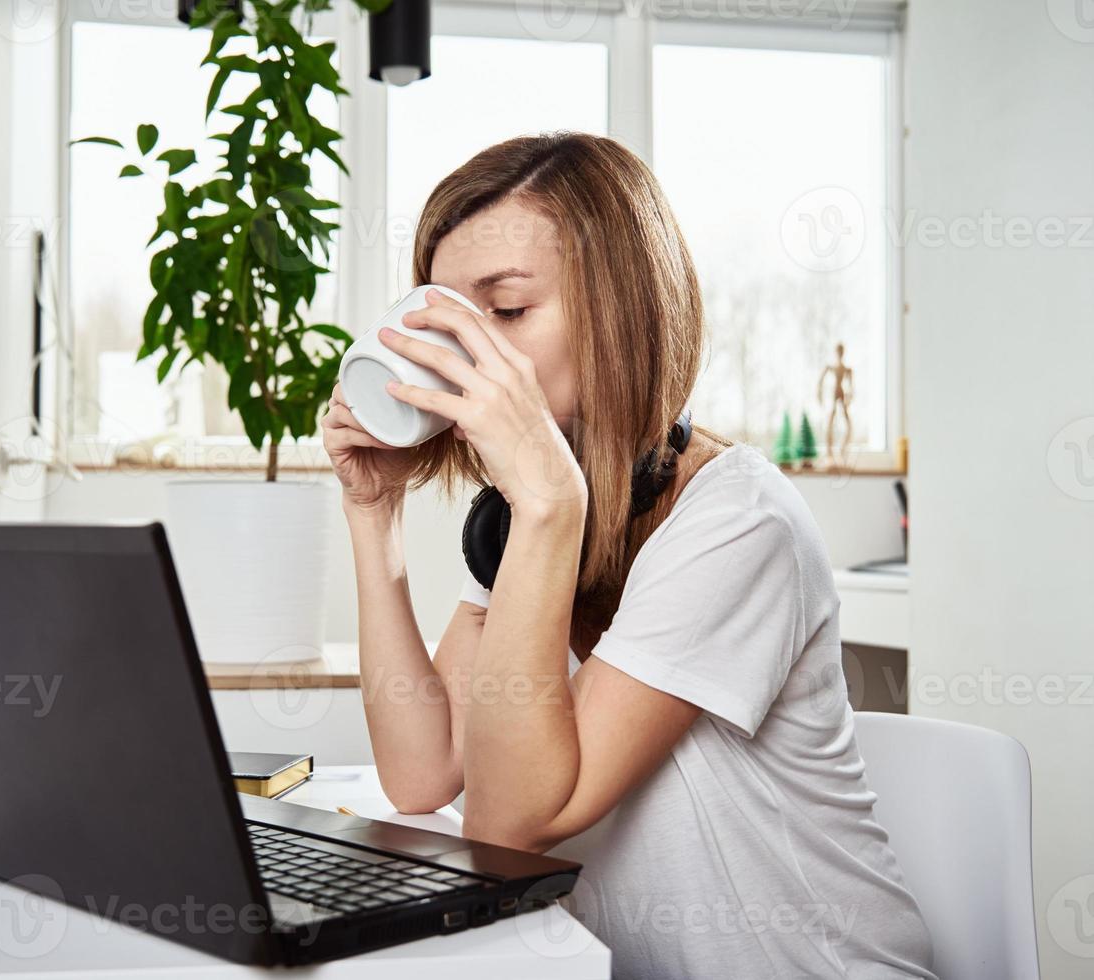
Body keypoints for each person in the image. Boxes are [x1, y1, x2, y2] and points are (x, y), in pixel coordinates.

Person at [320, 133, 936, 979]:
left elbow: (508, 825)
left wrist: (545, 505)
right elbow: (421, 774)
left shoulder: (735, 521)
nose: (470, 357)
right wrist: (372, 515)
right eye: (449, 321)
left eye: (504, 313)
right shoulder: (526, 518)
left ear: (620, 313)